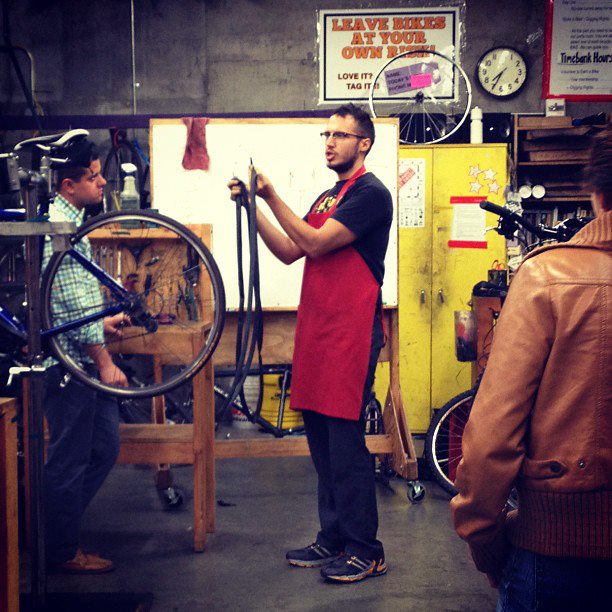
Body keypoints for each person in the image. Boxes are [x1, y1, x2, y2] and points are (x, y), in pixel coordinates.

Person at [228, 104, 392, 583]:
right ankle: (334, 538)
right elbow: (287, 249)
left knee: (346, 446)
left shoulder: (370, 194)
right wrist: (253, 208)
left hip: (352, 332)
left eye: (341, 135)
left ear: (363, 143)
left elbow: (318, 245)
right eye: (327, 133)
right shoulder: (328, 196)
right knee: (320, 443)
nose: (330, 142)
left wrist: (272, 193)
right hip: (319, 333)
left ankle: (367, 549)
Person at [451, 124, 612, 610]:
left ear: (595, 193)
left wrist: (488, 544)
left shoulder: (547, 276)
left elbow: (492, 438)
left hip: (559, 553)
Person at [42, 137, 129, 574]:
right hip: (70, 365)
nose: (101, 182)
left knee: (103, 448)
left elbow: (72, 301)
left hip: (81, 354)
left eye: (99, 173)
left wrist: (102, 325)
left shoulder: (73, 223)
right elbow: (72, 306)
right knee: (69, 458)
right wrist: (105, 361)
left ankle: (55, 532)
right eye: (93, 176)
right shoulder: (60, 228)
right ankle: (57, 549)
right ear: (68, 184)